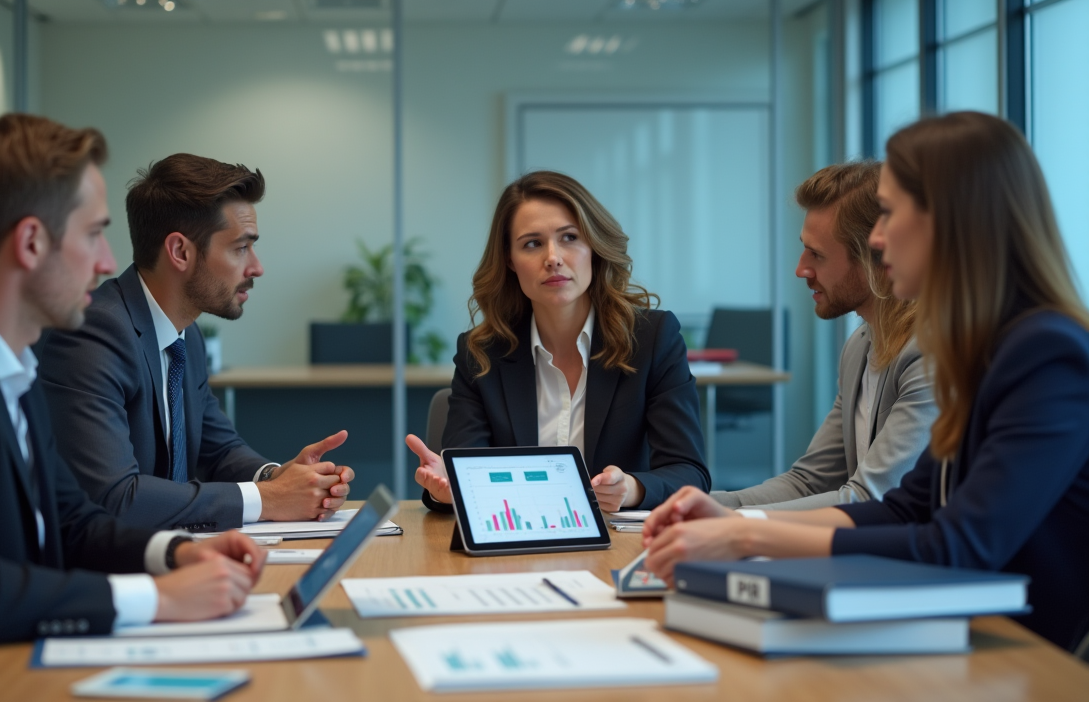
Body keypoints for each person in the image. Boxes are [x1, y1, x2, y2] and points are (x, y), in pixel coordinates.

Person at [642, 112, 1089, 652]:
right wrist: (728, 514)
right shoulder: (981, 348)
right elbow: (905, 507)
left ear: (949, 221)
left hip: (1028, 655)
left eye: (891, 213)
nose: (878, 238)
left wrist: (744, 533)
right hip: (962, 636)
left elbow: (959, 545)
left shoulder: (1044, 352)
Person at [0, 115, 267, 701]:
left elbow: (73, 520)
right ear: (32, 242)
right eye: (93, 234)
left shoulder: (11, 363)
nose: (105, 260)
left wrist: (177, 552)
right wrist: (156, 599)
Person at [39, 154, 354, 532]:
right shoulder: (94, 335)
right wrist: (269, 499)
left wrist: (277, 477)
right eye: (241, 248)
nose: (256, 267)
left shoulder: (185, 333)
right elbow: (114, 498)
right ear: (180, 252)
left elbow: (217, 449)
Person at [407, 170, 709, 513]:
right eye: (532, 244)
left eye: (569, 237)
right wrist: (447, 490)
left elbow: (690, 473)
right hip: (515, 543)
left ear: (593, 246)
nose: (553, 257)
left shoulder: (652, 338)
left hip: (616, 546)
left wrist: (633, 488)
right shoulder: (481, 353)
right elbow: (462, 479)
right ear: (509, 260)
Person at [712, 162, 936, 510]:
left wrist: (728, 523)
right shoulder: (859, 347)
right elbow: (809, 482)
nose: (801, 268)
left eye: (817, 254)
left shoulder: (928, 352)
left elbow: (870, 497)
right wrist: (709, 505)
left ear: (874, 258)